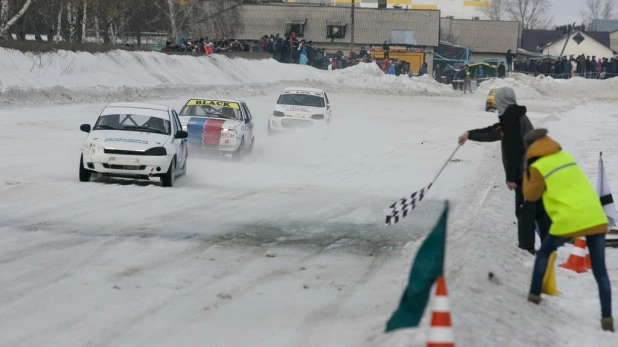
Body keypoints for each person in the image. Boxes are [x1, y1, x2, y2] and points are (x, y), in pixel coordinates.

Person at [522, 128, 613, 332]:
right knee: (600, 271)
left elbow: (531, 195)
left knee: (544, 252)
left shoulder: (538, 166)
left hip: (569, 219)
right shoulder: (565, 155)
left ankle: (534, 294)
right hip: (596, 216)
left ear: (531, 147)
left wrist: (525, 172)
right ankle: (607, 318)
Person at [458, 87, 550, 254]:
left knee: (525, 210)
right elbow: (495, 132)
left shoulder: (511, 118)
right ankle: (549, 246)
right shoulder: (515, 116)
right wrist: (469, 134)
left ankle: (526, 248)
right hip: (535, 169)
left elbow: (513, 148)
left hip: (527, 171)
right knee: (537, 210)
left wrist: (512, 177)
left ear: (501, 101)